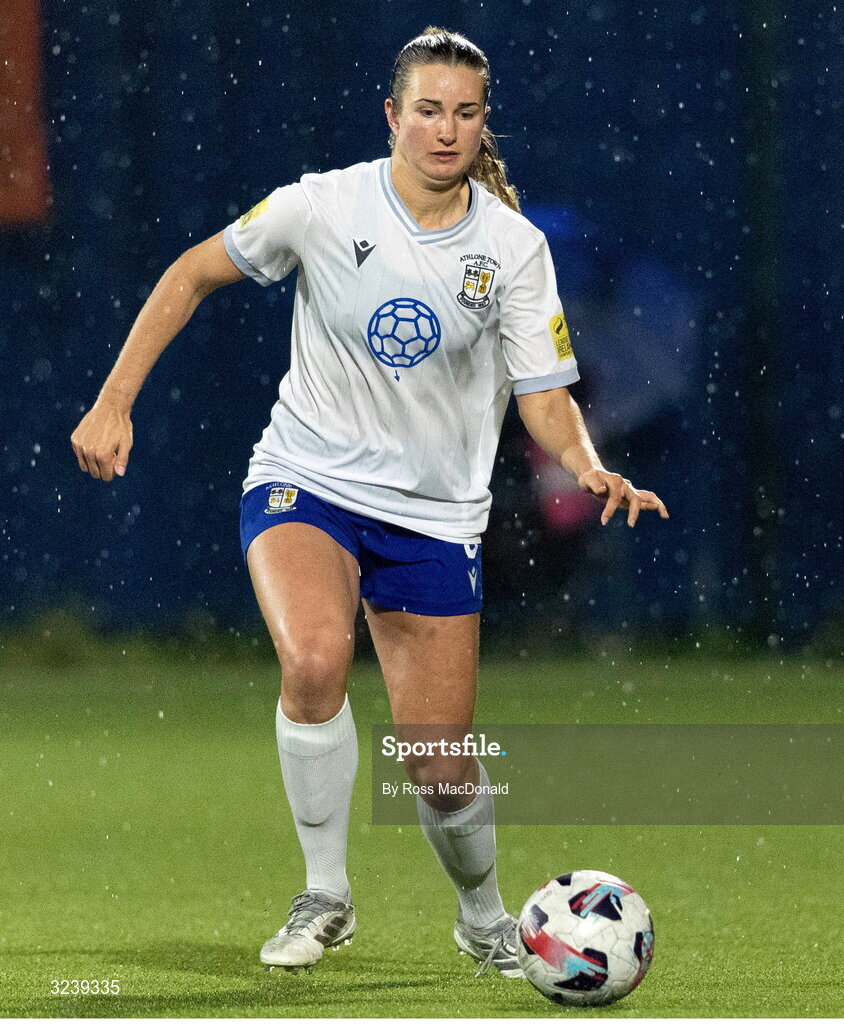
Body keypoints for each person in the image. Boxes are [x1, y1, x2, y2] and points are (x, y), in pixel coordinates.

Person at [70, 27, 669, 977]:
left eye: (465, 113)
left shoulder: (513, 250)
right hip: (306, 477)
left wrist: (588, 464)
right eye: (427, 110)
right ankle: (325, 893)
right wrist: (113, 401)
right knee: (313, 660)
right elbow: (192, 270)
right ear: (393, 115)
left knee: (438, 764)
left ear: (483, 124)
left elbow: (544, 395)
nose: (445, 130)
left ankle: (483, 920)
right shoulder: (323, 205)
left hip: (433, 516)